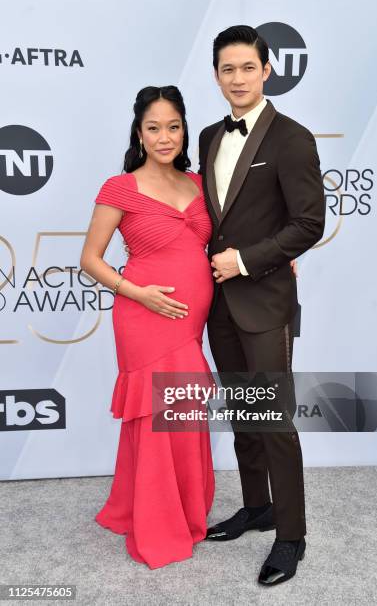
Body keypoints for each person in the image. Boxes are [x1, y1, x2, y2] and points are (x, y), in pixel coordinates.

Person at [198, 25, 325, 586]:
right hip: (217, 303)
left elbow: (308, 223)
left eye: (248, 67)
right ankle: (256, 506)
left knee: (274, 420)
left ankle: (291, 536)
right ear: (217, 75)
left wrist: (246, 261)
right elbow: (205, 217)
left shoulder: (293, 139)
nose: (238, 78)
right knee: (244, 416)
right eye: (228, 69)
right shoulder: (206, 136)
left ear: (267, 70)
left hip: (264, 300)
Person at [80, 86, 215, 569]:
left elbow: (230, 239)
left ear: (184, 129)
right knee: (159, 416)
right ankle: (158, 524)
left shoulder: (200, 185)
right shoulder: (121, 186)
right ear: (139, 132)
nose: (164, 137)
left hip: (189, 324)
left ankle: (182, 510)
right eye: (153, 127)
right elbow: (90, 260)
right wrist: (139, 294)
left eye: (173, 126)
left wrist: (281, 261)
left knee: (182, 414)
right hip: (143, 317)